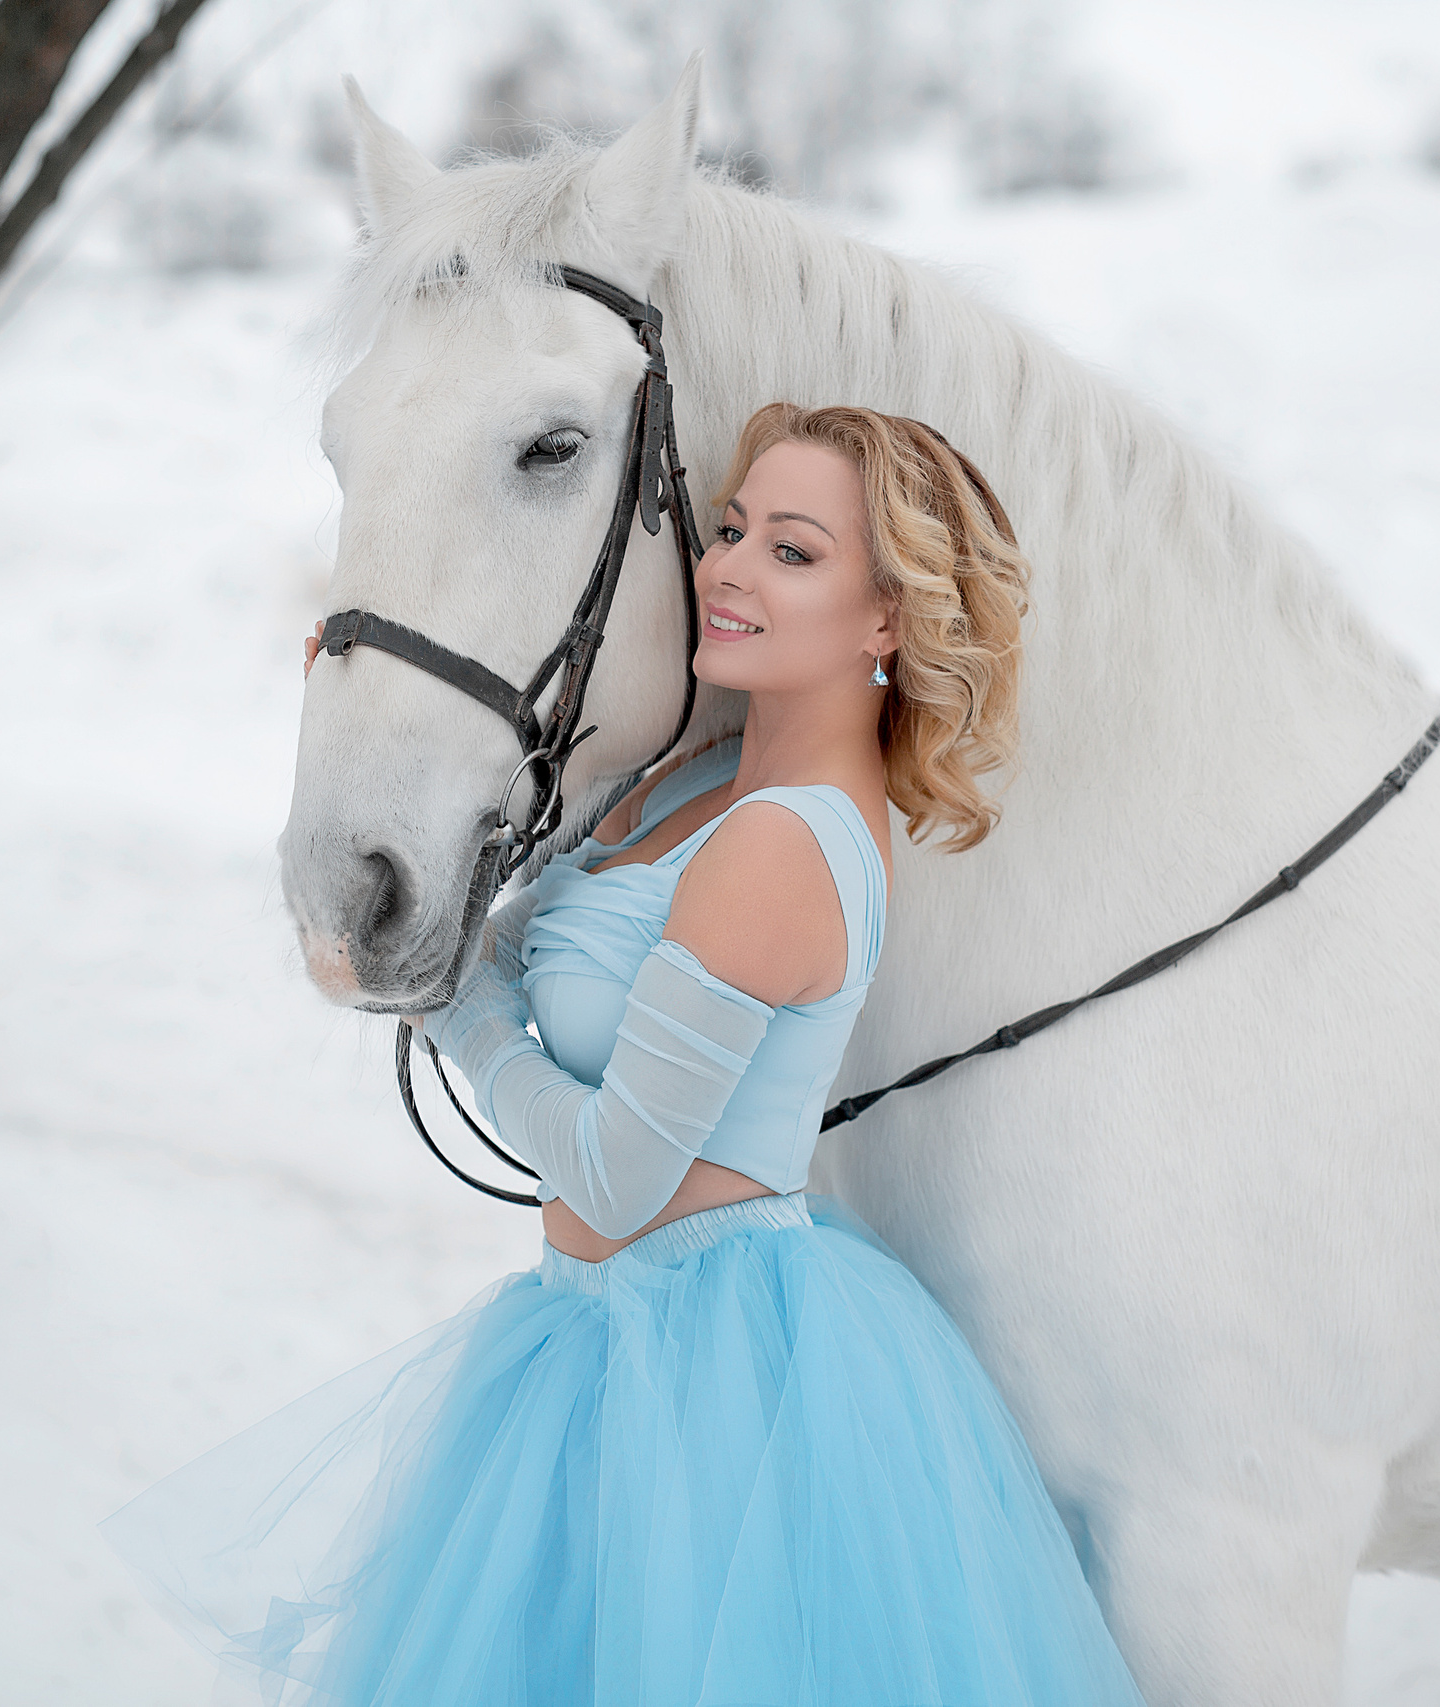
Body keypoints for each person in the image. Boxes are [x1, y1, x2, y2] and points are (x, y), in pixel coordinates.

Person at [101, 403, 1146, 1705]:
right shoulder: (698, 781)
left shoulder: (782, 843)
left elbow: (619, 1172)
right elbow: (506, 928)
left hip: (714, 1386)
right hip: (595, 1343)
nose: (733, 570)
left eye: (796, 552)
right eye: (730, 529)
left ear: (888, 617)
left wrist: (458, 1015)